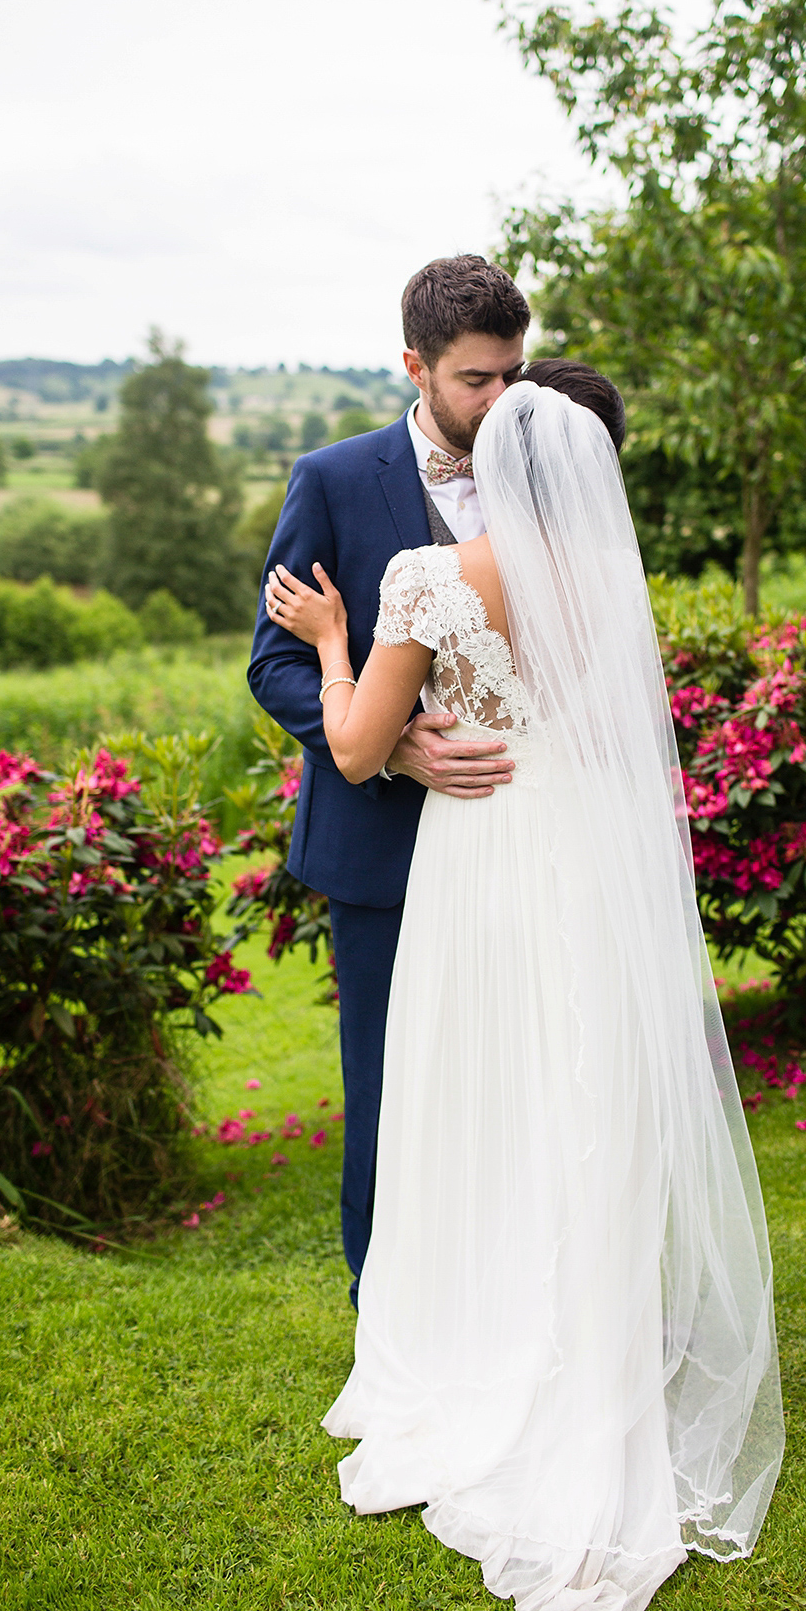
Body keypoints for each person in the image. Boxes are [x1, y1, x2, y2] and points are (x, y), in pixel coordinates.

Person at [264, 376, 784, 1611]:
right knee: (578, 1100)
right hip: (585, 854)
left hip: (484, 865)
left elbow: (350, 746)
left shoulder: (427, 581)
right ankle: (579, 1331)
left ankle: (479, 1340)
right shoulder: (608, 578)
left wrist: (333, 645)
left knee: (472, 1101)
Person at [247, 255, 530, 1306]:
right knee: (386, 1089)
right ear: (414, 365)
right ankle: (390, 1316)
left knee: (506, 1081)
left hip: (515, 837)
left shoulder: (542, 474)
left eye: (511, 372)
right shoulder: (331, 479)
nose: (500, 399)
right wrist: (394, 734)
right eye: (474, 381)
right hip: (379, 851)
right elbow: (272, 662)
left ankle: (502, 1295)